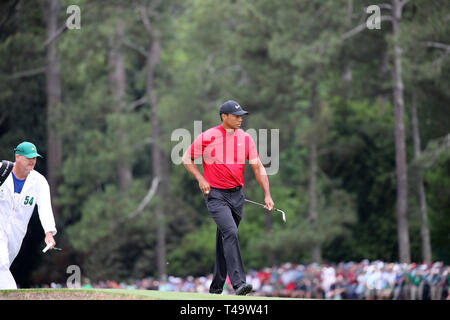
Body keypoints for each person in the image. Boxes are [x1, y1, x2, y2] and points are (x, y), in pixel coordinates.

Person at [182, 100, 274, 295]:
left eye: (241, 116)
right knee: (230, 233)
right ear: (224, 117)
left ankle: (216, 288)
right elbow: (186, 158)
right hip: (215, 195)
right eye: (236, 116)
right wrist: (200, 178)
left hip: (237, 196)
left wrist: (267, 194)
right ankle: (239, 283)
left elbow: (257, 167)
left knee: (225, 239)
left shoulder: (246, 138)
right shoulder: (208, 136)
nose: (240, 119)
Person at [0, 142, 57, 289]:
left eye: (35, 158)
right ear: (17, 156)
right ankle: (12, 295)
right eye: (28, 157)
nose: (32, 161)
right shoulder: (2, 170)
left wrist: (49, 233)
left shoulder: (39, 182)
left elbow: (45, 208)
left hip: (16, 234)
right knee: (1, 263)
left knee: (3, 267)